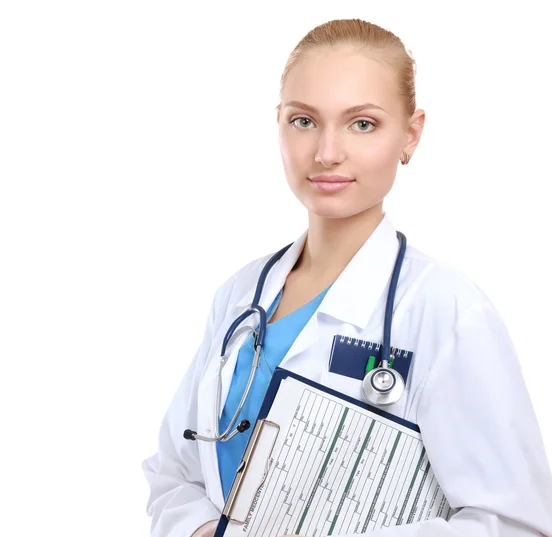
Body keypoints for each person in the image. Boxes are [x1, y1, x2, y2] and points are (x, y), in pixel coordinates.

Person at [141, 18, 552, 537]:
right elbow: (174, 475)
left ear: (411, 134)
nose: (326, 152)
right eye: (304, 121)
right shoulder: (241, 295)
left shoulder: (445, 310)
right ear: (279, 123)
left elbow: (513, 524)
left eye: (362, 124)